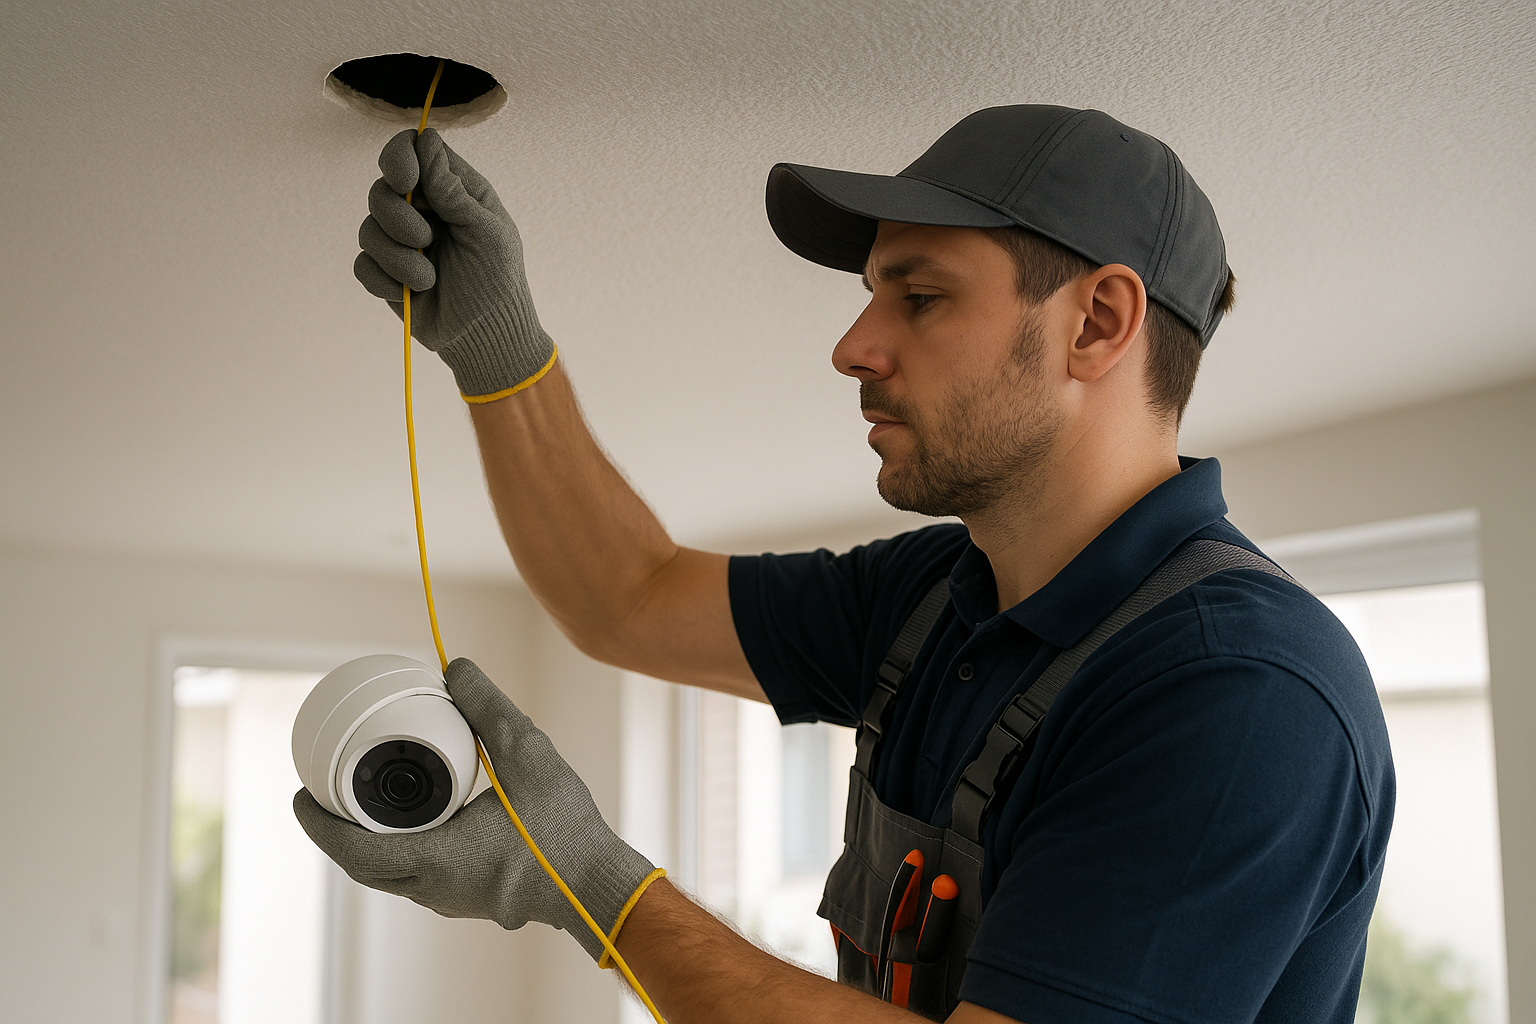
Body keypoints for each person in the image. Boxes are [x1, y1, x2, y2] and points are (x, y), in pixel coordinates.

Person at [296, 105, 1394, 1024]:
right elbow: (625, 596)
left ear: (1097, 323)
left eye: (918, 298)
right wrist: (499, 350)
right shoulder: (935, 599)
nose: (852, 346)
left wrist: (588, 886)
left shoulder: (1237, 692)